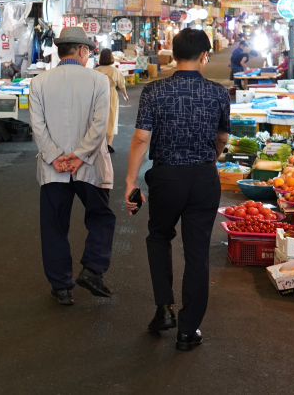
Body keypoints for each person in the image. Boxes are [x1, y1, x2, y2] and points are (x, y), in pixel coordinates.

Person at [124, 28, 230, 351]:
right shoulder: (219, 93)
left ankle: (164, 308)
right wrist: (208, 158)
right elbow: (222, 138)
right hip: (203, 178)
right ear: (203, 57)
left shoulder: (155, 91)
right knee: (197, 252)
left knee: (159, 237)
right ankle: (188, 331)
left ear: (173, 55)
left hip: (166, 177)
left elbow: (141, 138)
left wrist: (130, 181)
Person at [29, 26, 115, 306]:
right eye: (88, 51)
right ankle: (92, 269)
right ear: (81, 50)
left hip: (53, 169)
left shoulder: (39, 82)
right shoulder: (98, 81)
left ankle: (62, 287)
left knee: (54, 225)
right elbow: (100, 125)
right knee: (101, 217)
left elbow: (37, 127)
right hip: (90, 166)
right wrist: (79, 156)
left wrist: (56, 157)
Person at [95, 48, 129, 152]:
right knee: (112, 117)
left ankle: (101, 143)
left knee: (99, 117)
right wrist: (125, 95)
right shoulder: (115, 71)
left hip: (99, 95)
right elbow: (122, 85)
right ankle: (109, 144)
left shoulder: (96, 71)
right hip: (112, 94)